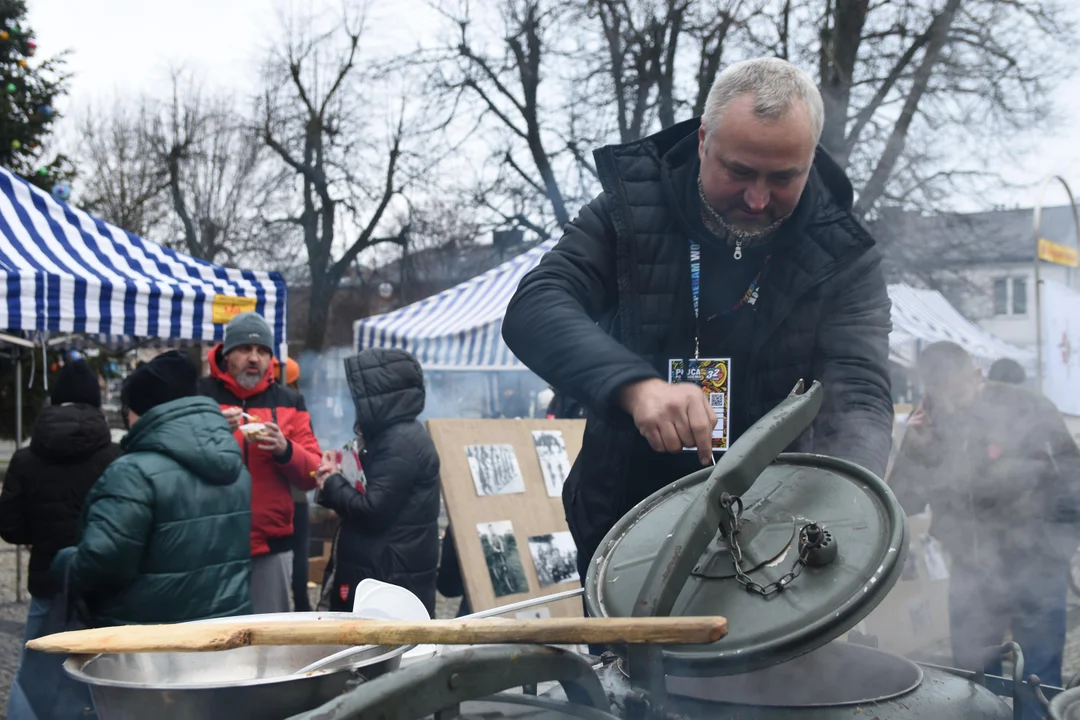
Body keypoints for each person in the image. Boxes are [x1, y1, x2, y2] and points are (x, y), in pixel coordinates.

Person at [502, 57, 893, 584]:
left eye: (783, 178)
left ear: (810, 159)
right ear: (705, 140)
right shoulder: (629, 209)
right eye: (739, 172)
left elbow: (860, 394)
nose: (758, 198)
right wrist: (636, 387)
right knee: (625, 670)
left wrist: (851, 506)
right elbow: (536, 304)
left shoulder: (844, 252)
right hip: (624, 525)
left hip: (779, 540)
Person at [890, 341, 1080, 717]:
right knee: (975, 675)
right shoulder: (929, 419)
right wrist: (914, 447)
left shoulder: (1028, 408)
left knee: (1038, 676)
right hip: (973, 567)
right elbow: (902, 502)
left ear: (976, 374)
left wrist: (1060, 545)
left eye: (959, 394)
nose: (954, 406)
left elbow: (1072, 477)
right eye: (944, 398)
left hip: (1039, 562)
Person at [50, 350, 252, 627]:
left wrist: (65, 563)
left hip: (145, 644)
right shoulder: (237, 470)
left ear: (141, 411)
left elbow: (103, 561)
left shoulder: (132, 473)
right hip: (220, 635)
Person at [0, 360, 122, 720]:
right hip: (102, 585)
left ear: (54, 400)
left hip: (47, 582)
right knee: (101, 675)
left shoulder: (25, 459)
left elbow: (10, 528)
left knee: (35, 675)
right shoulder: (116, 458)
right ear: (96, 402)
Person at [199, 313, 321, 614]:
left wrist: (285, 449)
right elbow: (179, 460)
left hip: (271, 546)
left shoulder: (290, 401)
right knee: (214, 645)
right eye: (244, 349)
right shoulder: (200, 395)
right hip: (210, 546)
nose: (254, 358)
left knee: (268, 646)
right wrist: (213, 433)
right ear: (227, 353)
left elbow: (314, 473)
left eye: (263, 351)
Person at [314, 348, 440, 615]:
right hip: (383, 567)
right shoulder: (390, 435)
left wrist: (332, 481)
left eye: (359, 392)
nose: (353, 400)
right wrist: (338, 470)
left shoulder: (400, 442)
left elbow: (372, 511)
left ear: (379, 395)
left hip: (387, 574)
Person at [274, 356, 313, 612]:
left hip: (289, 493)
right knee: (299, 555)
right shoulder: (289, 405)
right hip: (292, 496)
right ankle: (301, 605)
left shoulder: (287, 405)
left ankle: (299, 603)